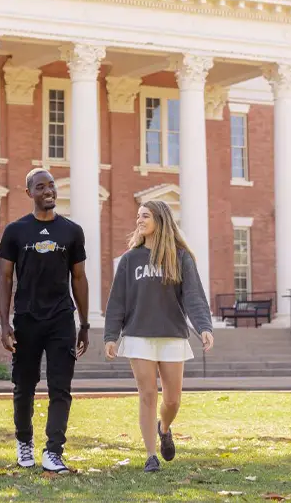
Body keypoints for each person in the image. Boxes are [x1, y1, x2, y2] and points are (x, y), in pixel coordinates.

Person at [103, 200, 214, 473]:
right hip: (138, 334)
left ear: (160, 221)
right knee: (147, 394)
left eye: (145, 216)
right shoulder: (130, 259)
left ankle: (164, 428)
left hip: (172, 335)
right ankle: (151, 456)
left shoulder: (180, 257)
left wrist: (203, 327)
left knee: (173, 399)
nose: (139, 221)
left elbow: (193, 296)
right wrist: (110, 335)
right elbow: (117, 300)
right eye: (138, 216)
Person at [0, 168, 89, 474]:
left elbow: (79, 277)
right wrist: (4, 323)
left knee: (61, 388)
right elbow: (5, 278)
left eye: (51, 186)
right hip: (26, 318)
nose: (48, 190)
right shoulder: (15, 231)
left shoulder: (72, 231)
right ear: (29, 193)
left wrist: (85, 324)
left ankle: (54, 451)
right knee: (24, 386)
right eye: (41, 187)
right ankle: (24, 442)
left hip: (62, 318)